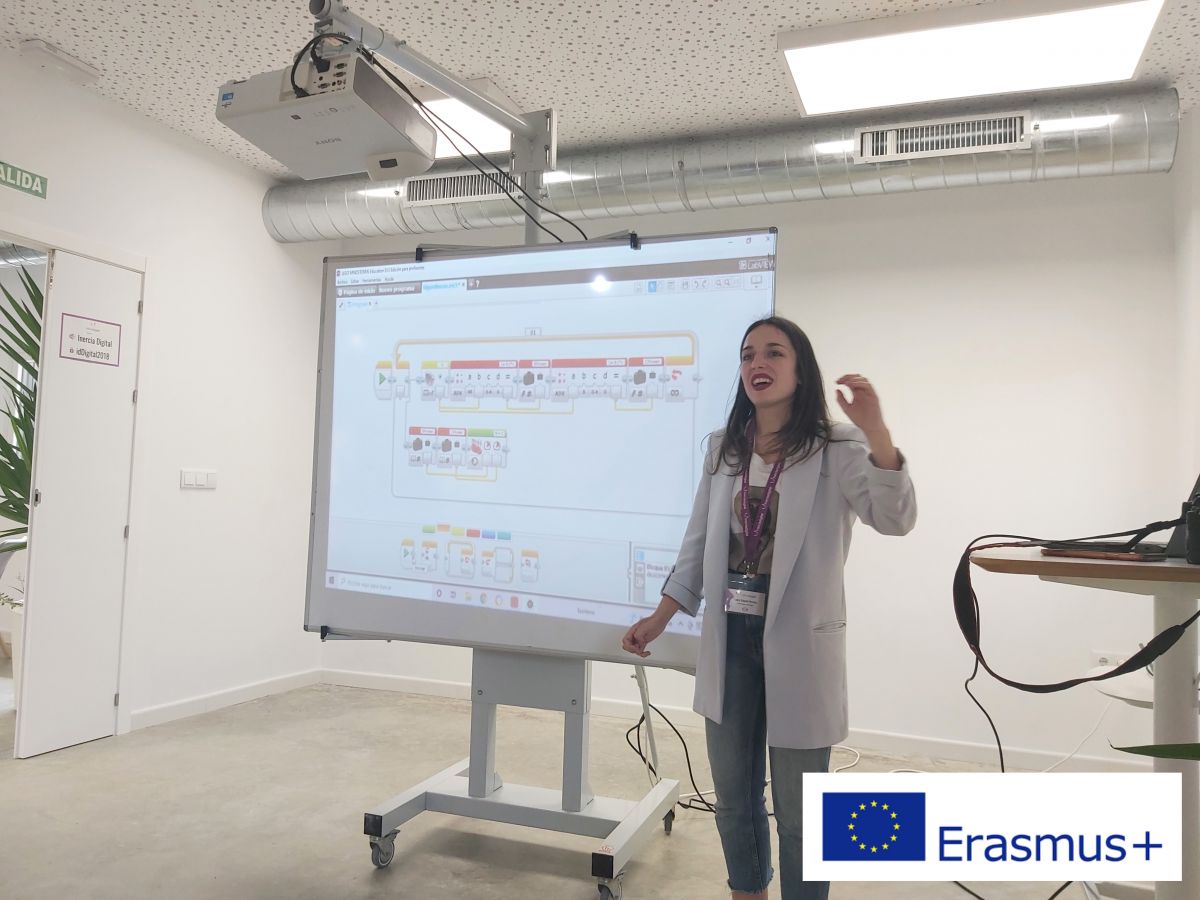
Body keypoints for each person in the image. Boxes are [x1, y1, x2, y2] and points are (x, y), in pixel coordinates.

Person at [621, 316, 916, 900]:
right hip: (730, 638)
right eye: (748, 354)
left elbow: (895, 518)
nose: (758, 363)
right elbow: (697, 544)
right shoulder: (724, 449)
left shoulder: (838, 447)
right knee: (734, 799)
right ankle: (748, 892)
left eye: (775, 353)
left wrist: (877, 432)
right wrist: (660, 617)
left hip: (799, 640)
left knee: (801, 812)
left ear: (801, 371)